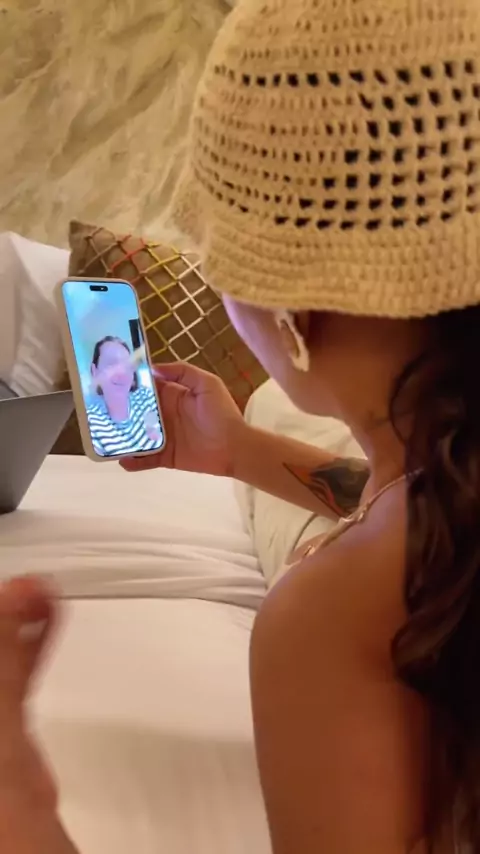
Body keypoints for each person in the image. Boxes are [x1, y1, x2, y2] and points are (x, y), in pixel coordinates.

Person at [1, 0, 480, 851]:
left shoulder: (336, 617)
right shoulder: (438, 506)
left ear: (287, 306)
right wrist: (245, 453)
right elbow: (428, 518)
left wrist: (22, 803)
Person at [87, 336, 163, 456]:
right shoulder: (90, 422)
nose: (121, 373)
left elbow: (155, 431)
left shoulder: (146, 396)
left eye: (127, 366)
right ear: (95, 371)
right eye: (111, 364)